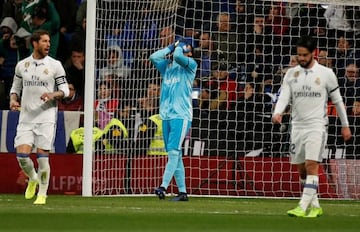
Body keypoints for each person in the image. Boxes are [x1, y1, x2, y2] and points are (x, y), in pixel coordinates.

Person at [272, 35, 352, 217]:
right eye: (298, 55)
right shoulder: (292, 74)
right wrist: (277, 112)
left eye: (304, 55)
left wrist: (345, 125)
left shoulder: (326, 74)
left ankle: (302, 206)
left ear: (313, 53)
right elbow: (284, 95)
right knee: (301, 168)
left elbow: (338, 101)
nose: (301, 58)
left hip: (317, 126)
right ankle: (315, 206)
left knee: (311, 165)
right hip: (297, 127)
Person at [9, 29, 70, 205]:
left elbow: (65, 90)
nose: (48, 44)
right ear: (35, 43)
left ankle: (42, 194)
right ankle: (33, 178)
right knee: (22, 156)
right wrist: (13, 99)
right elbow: (15, 88)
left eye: (49, 41)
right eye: (44, 41)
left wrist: (53, 94)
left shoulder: (55, 65)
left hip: (46, 116)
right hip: (26, 116)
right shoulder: (22, 65)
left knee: (43, 156)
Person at [149, 39, 197, 201]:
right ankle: (182, 192)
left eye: (187, 48)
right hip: (167, 115)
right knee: (175, 154)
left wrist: (179, 46)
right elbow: (154, 57)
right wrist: (171, 46)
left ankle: (163, 186)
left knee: (174, 152)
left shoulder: (190, 65)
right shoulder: (167, 67)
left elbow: (177, 56)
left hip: (181, 116)